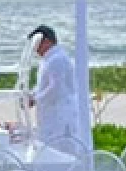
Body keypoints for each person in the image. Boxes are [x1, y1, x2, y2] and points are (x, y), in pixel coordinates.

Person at [24, 24, 83, 152]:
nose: (35, 49)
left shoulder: (57, 59)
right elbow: (43, 85)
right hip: (50, 114)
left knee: (59, 150)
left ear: (46, 41)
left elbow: (56, 89)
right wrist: (33, 94)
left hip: (59, 115)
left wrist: (35, 99)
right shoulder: (48, 60)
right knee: (49, 147)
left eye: (36, 44)